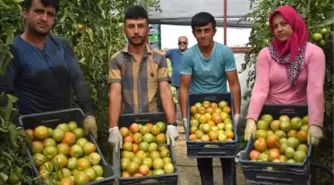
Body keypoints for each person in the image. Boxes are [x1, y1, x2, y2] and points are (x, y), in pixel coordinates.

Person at [0, 0, 97, 138]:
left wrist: (89, 114)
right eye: (39, 11)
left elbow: (77, 79)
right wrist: (17, 126)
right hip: (33, 133)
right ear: (25, 13)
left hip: (66, 131)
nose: (44, 18)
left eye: (50, 14)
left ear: (54, 19)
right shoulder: (13, 50)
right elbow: (4, 93)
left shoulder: (62, 45)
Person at [244, 6, 325, 146]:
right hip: (270, 118)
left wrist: (315, 123)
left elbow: (315, 90)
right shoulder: (266, 54)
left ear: (294, 23)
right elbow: (260, 89)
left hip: (300, 118)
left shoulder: (314, 53)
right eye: (275, 26)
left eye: (284, 23)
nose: (279, 29)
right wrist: (251, 120)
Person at [107, 5, 178, 163]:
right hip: (127, 128)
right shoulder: (117, 60)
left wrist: (172, 123)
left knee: (160, 167)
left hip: (154, 126)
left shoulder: (158, 58)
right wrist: (113, 127)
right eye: (131, 26)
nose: (136, 31)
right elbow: (115, 94)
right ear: (125, 30)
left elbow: (165, 91)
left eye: (141, 26)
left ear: (147, 28)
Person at [179, 12, 241, 185]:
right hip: (198, 110)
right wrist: (185, 117)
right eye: (199, 31)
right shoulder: (189, 55)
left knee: (227, 153)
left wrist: (236, 114)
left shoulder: (224, 52)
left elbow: (234, 84)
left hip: (222, 109)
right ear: (194, 33)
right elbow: (183, 88)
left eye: (207, 30)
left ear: (214, 31)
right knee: (203, 155)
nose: (203, 35)